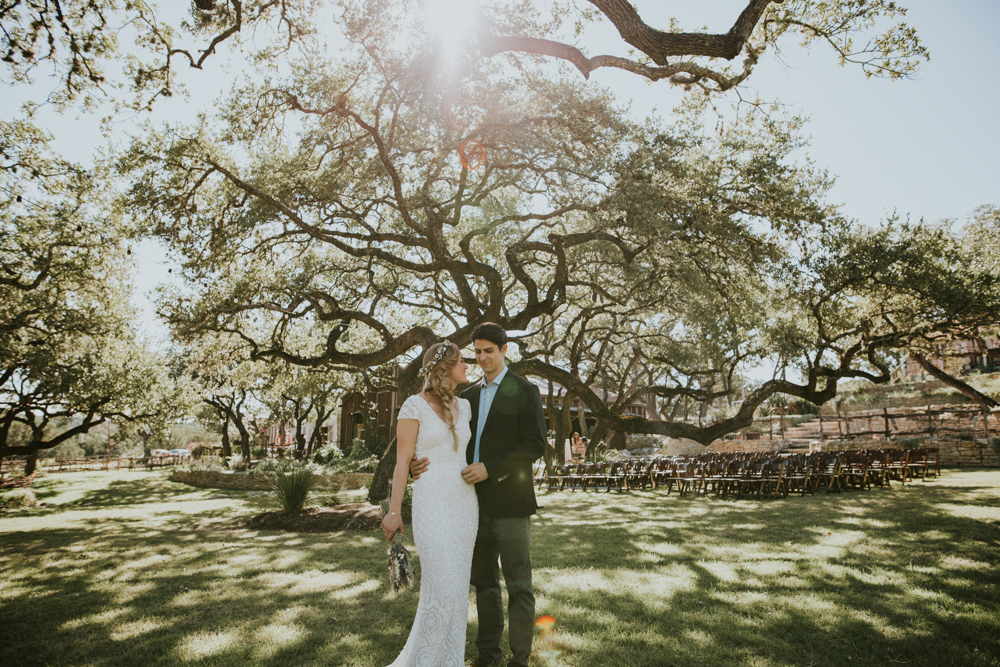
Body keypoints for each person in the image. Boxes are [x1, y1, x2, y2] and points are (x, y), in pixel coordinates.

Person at [411, 323, 547, 667]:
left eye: (489, 350)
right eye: (478, 351)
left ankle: (520, 658)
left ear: (504, 350)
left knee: (519, 584)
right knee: (484, 584)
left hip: (511, 503)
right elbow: (443, 440)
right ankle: (488, 655)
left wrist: (492, 467)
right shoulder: (466, 397)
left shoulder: (525, 390)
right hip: (470, 507)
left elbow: (535, 445)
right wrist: (418, 463)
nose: (483, 357)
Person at [380, 341, 478, 667]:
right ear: (444, 368)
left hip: (465, 506)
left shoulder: (465, 407)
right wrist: (394, 512)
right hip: (431, 505)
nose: (468, 364)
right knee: (442, 588)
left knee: (457, 591)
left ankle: (449, 660)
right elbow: (401, 462)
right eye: (462, 360)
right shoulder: (413, 405)